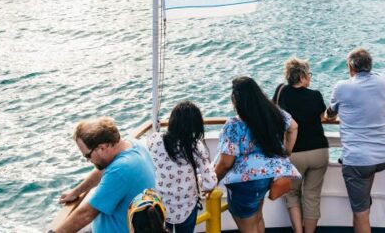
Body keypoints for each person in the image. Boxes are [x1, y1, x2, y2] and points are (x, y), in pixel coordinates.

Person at [215, 76, 300, 233]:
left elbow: (226, 163)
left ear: (236, 100)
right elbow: (293, 127)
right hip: (265, 178)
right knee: (258, 217)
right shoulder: (273, 113)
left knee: (248, 226)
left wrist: (212, 181)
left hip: (244, 183)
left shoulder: (234, 125)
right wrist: (286, 152)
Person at [327, 48, 385, 233]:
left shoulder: (342, 86)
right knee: (363, 201)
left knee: (360, 213)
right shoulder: (382, 81)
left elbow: (330, 113)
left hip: (359, 159)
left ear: (350, 67)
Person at [55, 117, 156, 233]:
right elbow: (103, 170)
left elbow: (86, 214)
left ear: (102, 148)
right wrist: (76, 192)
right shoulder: (132, 145)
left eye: (88, 156)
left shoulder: (120, 171)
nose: (89, 161)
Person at [272, 57, 329, 233]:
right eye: (309, 74)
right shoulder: (315, 95)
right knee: (312, 196)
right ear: (303, 76)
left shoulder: (282, 92)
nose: (310, 78)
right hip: (319, 150)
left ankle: (298, 231)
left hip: (293, 152)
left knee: (292, 194)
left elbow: (274, 114)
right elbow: (324, 116)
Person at [146, 101, 217, 233]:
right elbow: (210, 182)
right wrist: (200, 185)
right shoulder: (195, 147)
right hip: (186, 207)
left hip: (160, 206)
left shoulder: (155, 139)